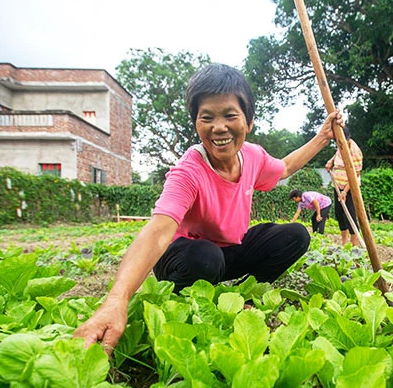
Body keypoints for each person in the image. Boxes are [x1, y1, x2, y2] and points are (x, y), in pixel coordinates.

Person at [74, 63, 343, 353]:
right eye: (207, 118)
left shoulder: (253, 157)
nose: (219, 127)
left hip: (227, 252)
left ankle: (246, 294)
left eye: (230, 116)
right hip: (184, 257)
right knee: (205, 256)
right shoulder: (188, 171)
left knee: (296, 235)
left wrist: (323, 136)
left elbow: (287, 166)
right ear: (196, 124)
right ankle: (189, 298)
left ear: (248, 122)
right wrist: (117, 300)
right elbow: (158, 232)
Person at [325, 126, 362, 246]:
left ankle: (354, 244)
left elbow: (355, 175)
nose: (338, 144)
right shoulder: (341, 145)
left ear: (347, 138)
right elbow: (337, 154)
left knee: (349, 215)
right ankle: (344, 242)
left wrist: (345, 192)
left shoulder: (355, 151)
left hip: (350, 188)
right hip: (337, 185)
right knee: (339, 214)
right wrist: (331, 161)